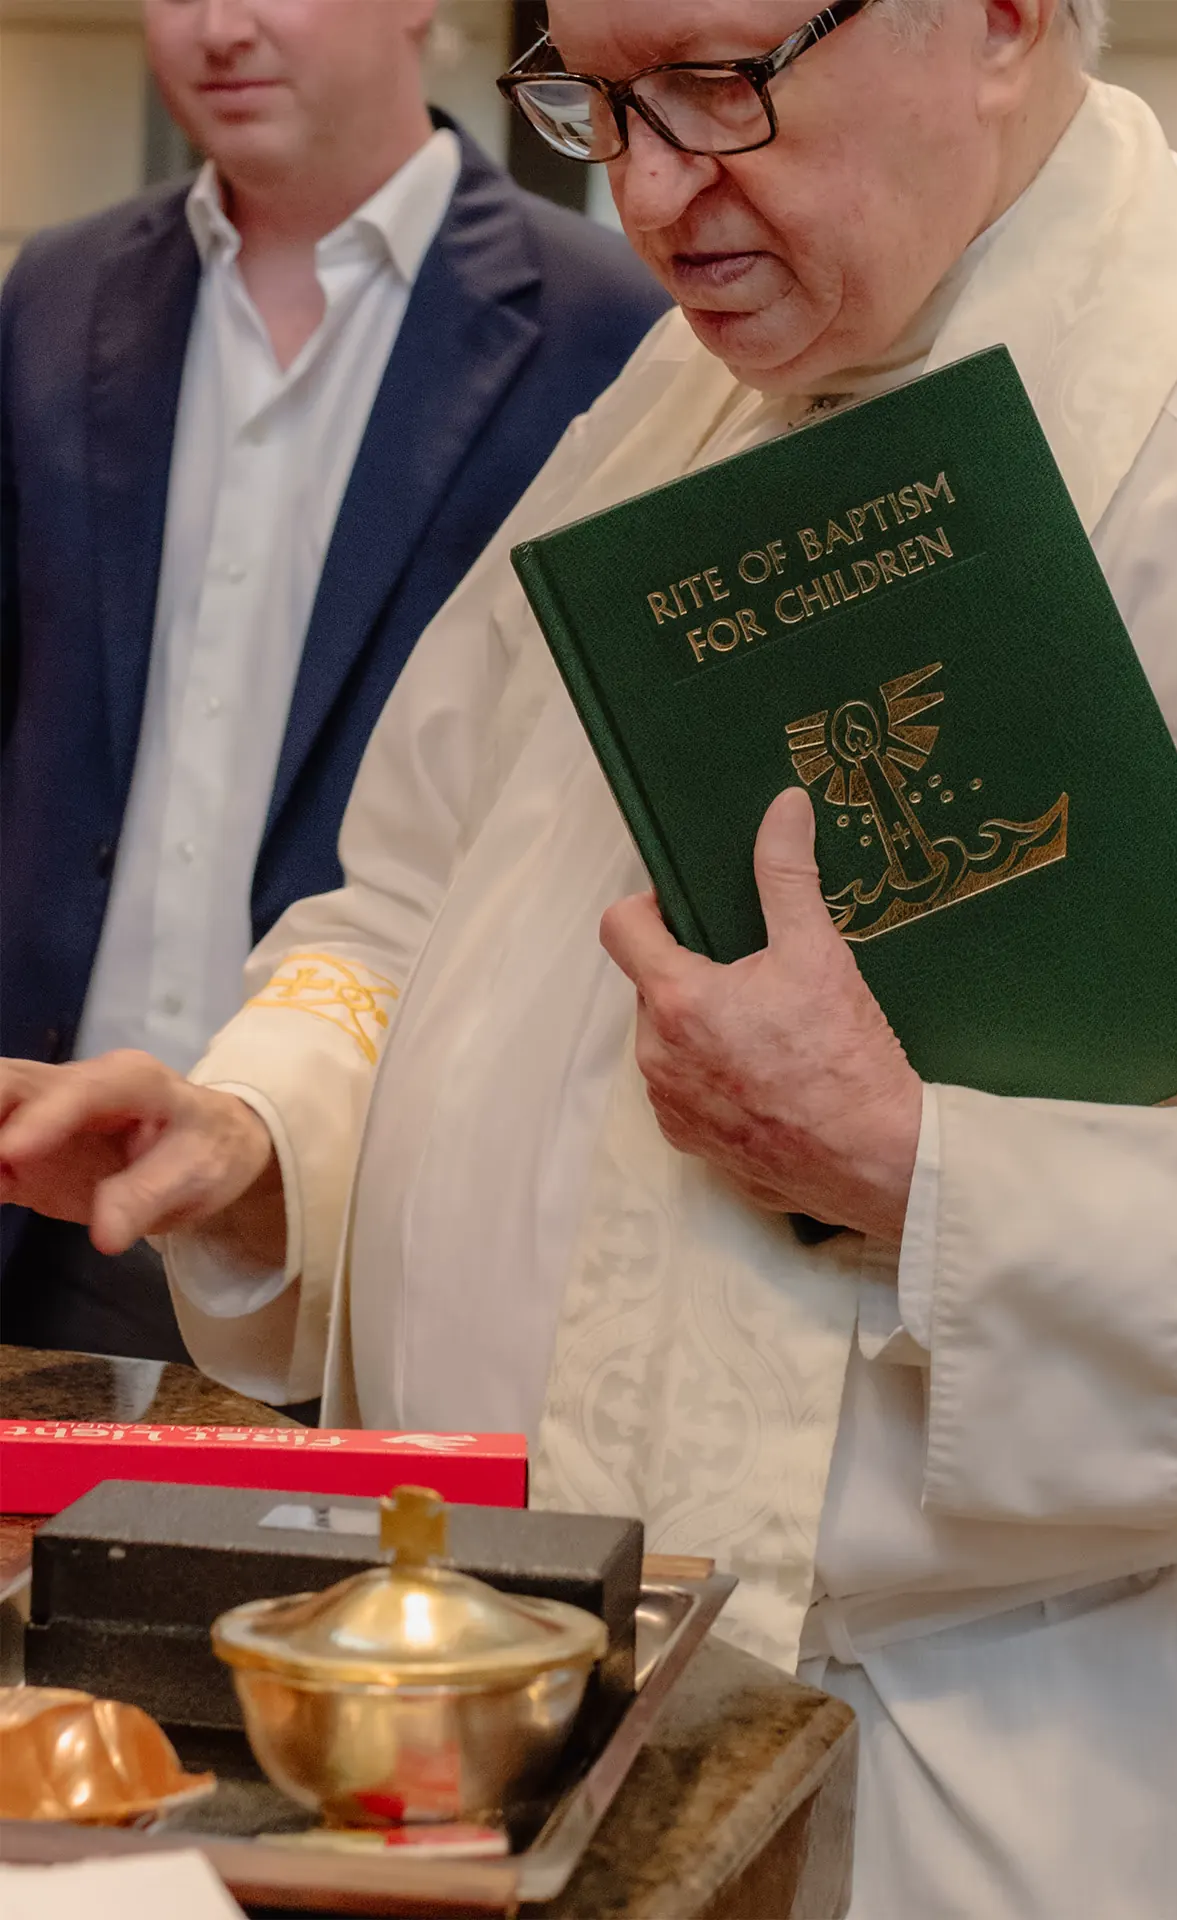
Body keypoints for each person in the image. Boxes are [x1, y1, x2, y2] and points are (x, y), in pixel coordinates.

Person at [1, 1, 1177, 1912]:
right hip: (506, 1692)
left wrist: (924, 1172)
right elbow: (413, 899)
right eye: (592, 97)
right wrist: (260, 1128)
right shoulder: (678, 400)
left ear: (1000, 19)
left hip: (974, 1767)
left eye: (714, 83)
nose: (650, 188)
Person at [0, 0, 668, 1363]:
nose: (218, 28)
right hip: (52, 1182)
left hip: (361, 1213)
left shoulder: (624, 330)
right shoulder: (54, 294)